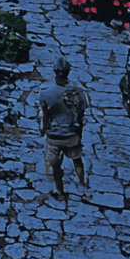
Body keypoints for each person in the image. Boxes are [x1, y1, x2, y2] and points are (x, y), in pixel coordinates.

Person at [39, 56, 90, 200]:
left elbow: (45, 116)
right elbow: (80, 115)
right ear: (68, 72)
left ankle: (60, 191)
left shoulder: (45, 92)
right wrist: (79, 133)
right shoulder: (78, 93)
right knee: (77, 159)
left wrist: (43, 130)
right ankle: (82, 185)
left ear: (55, 71)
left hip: (54, 136)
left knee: (55, 165)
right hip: (71, 134)